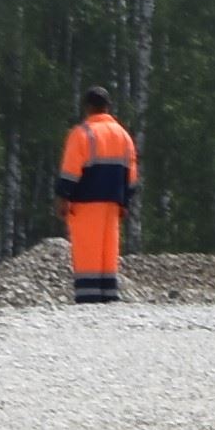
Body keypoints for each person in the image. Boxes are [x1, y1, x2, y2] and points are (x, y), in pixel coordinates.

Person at [57, 89, 140, 303]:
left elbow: (71, 169)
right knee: (108, 249)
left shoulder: (82, 133)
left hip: (86, 202)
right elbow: (131, 175)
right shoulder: (123, 135)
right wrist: (126, 200)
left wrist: (63, 196)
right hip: (113, 203)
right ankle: (108, 293)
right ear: (108, 106)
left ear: (87, 107)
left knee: (87, 249)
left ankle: (88, 295)